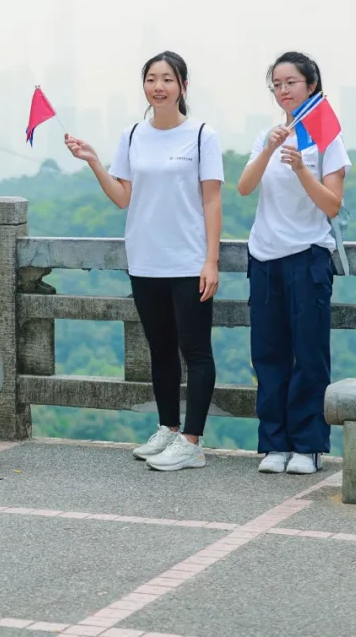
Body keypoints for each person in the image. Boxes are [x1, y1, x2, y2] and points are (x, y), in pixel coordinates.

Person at [64, 51, 223, 472]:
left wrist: (211, 260)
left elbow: (212, 200)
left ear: (183, 86)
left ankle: (192, 442)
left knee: (196, 350)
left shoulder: (202, 135)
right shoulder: (133, 135)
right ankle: (168, 428)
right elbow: (123, 197)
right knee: (160, 349)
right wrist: (94, 161)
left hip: (188, 261)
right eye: (151, 79)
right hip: (145, 259)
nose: (159, 86)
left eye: (168, 79)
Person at [236, 51, 351, 476]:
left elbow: (332, 204)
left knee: (309, 353)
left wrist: (303, 169)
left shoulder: (326, 137)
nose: (283, 91)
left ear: (311, 86)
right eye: (277, 85)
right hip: (265, 256)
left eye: (291, 83)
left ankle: (308, 445)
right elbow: (244, 187)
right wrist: (269, 148)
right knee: (268, 353)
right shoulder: (267, 136)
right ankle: (275, 443)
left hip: (308, 255)